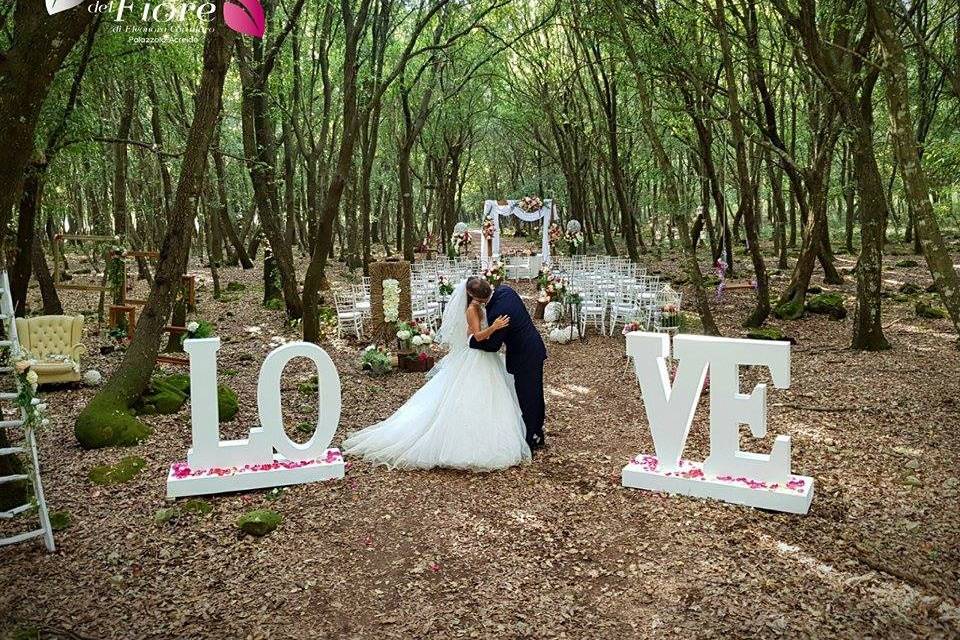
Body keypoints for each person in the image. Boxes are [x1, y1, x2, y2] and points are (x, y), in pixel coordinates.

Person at [342, 279, 531, 471]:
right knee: (467, 398)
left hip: (485, 357)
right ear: (472, 295)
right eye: (480, 297)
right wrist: (494, 327)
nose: (483, 300)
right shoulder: (471, 310)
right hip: (475, 356)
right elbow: (476, 336)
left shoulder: (480, 307)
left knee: (492, 397)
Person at [467, 277, 547, 450]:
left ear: (477, 298)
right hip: (534, 347)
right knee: (536, 393)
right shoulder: (506, 290)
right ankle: (538, 432)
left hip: (524, 356)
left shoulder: (498, 312)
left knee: (527, 397)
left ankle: (531, 439)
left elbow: (493, 346)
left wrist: (471, 341)